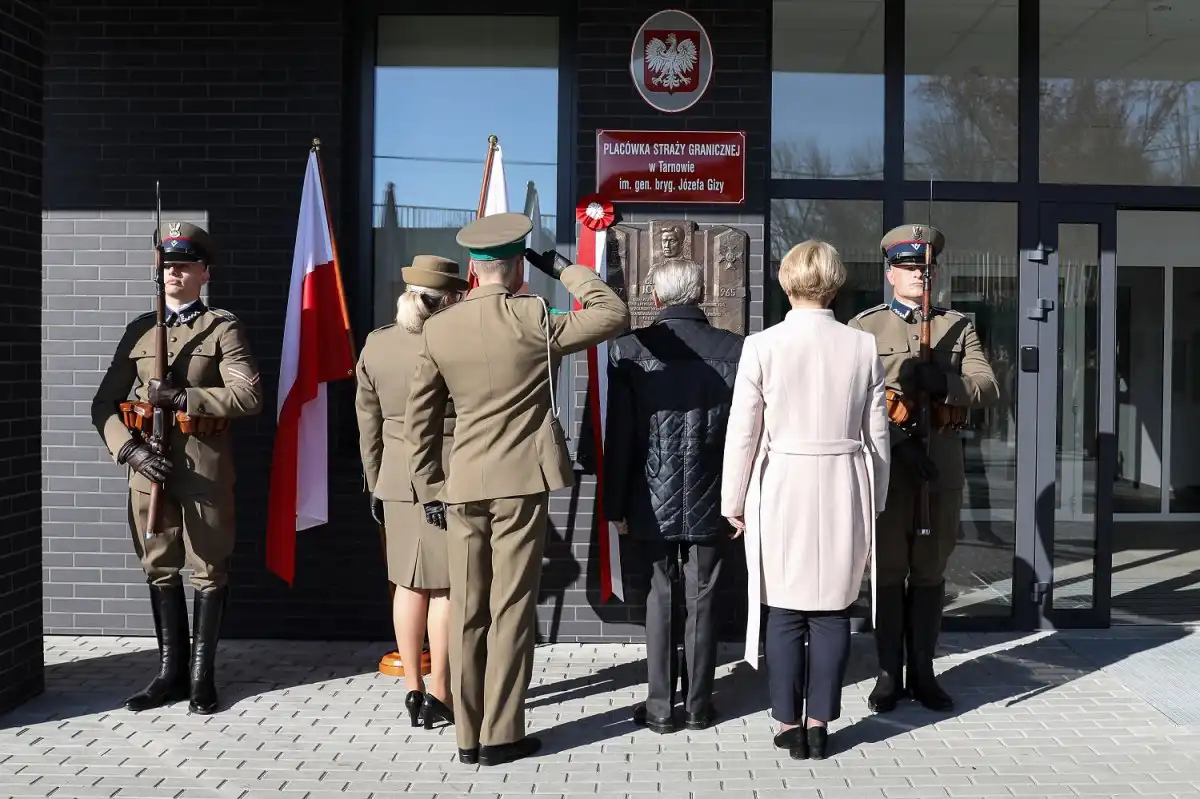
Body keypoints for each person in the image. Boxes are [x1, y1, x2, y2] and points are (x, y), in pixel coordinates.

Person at [404, 212, 630, 766]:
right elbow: (614, 313)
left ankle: (465, 733)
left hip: (461, 485)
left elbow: (419, 420)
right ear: (513, 265)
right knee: (511, 609)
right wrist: (559, 266)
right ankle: (500, 735)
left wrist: (431, 487)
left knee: (468, 609)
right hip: (520, 485)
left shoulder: (438, 327)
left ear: (476, 271)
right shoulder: (533, 317)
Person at [721, 240, 890, 760]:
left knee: (786, 610)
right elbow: (877, 435)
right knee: (834, 610)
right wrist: (876, 499)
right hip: (843, 482)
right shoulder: (862, 347)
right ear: (835, 285)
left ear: (784, 281)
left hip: (783, 483)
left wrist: (734, 498)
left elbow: (743, 433)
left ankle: (787, 722)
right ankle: (820, 723)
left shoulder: (761, 345)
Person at [90, 220, 263, 715]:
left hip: (203, 466)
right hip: (150, 467)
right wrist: (131, 452)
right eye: (167, 266)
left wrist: (187, 396)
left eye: (185, 266)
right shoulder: (140, 330)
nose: (174, 273)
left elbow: (248, 396)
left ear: (204, 273)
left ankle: (202, 676)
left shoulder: (223, 328)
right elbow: (103, 404)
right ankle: (169, 673)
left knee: (208, 568)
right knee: (159, 566)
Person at [847, 224, 1000, 714]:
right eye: (911, 267)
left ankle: (925, 672)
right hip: (889, 466)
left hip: (940, 467)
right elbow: (850, 400)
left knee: (930, 571)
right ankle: (889, 674)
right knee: (889, 571)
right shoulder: (864, 327)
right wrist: (892, 437)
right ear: (891, 273)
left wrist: (948, 383)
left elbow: (989, 387)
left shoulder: (958, 326)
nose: (921, 274)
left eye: (927, 267)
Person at [602, 259, 743, 734]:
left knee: (659, 595)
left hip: (649, 490)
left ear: (657, 298)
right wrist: (741, 498)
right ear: (698, 295)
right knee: (704, 595)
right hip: (715, 488)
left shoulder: (629, 349)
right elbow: (747, 432)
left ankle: (661, 708)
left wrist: (615, 505)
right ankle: (700, 706)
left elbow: (619, 435)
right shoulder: (736, 349)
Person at [355, 255, 468, 730]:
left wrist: (376, 481)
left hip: (396, 478)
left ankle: (412, 689)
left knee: (406, 583)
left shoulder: (376, 345)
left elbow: (368, 425)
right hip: (446, 475)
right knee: (442, 588)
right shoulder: (454, 343)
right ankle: (441, 690)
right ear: (447, 298)